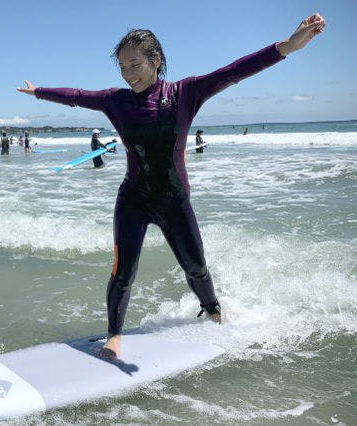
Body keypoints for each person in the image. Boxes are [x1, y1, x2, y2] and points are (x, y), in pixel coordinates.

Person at [18, 13, 325, 359]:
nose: (128, 74)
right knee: (123, 271)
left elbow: (233, 72)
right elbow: (77, 95)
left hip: (175, 202)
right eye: (122, 67)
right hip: (133, 198)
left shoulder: (184, 94)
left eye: (135, 65)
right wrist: (38, 92)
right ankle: (114, 336)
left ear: (156, 60)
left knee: (196, 267)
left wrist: (286, 47)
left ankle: (213, 312)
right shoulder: (116, 101)